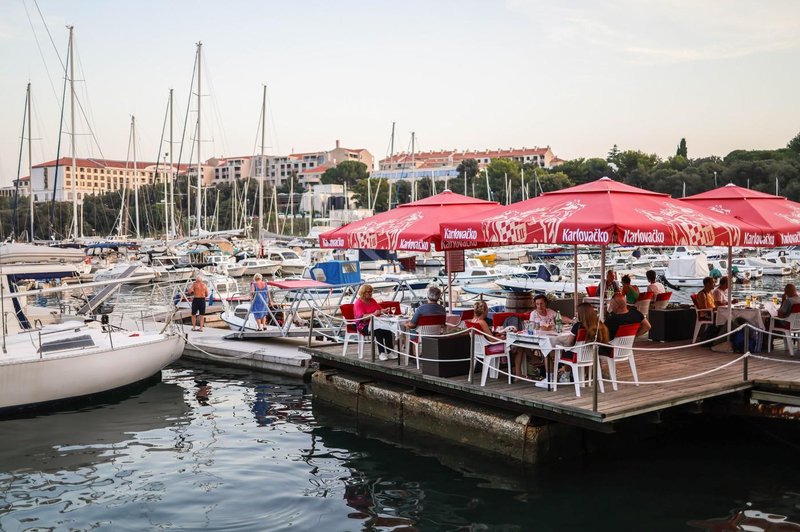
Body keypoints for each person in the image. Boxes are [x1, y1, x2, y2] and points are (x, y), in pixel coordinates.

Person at [556, 303, 609, 381]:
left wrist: (561, 343)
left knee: (565, 350)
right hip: (593, 354)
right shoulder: (598, 324)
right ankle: (579, 373)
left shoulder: (578, 326)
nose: (576, 314)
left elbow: (569, 343)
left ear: (581, 314)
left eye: (577, 312)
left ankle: (566, 376)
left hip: (577, 356)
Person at [354, 284, 395, 361]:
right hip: (364, 325)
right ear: (363, 292)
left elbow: (379, 310)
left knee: (387, 330)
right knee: (378, 330)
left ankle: (390, 352)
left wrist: (384, 310)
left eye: (371, 292)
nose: (370, 294)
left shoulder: (372, 300)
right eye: (368, 292)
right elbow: (361, 318)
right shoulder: (358, 303)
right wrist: (373, 314)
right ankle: (381, 353)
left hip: (376, 322)